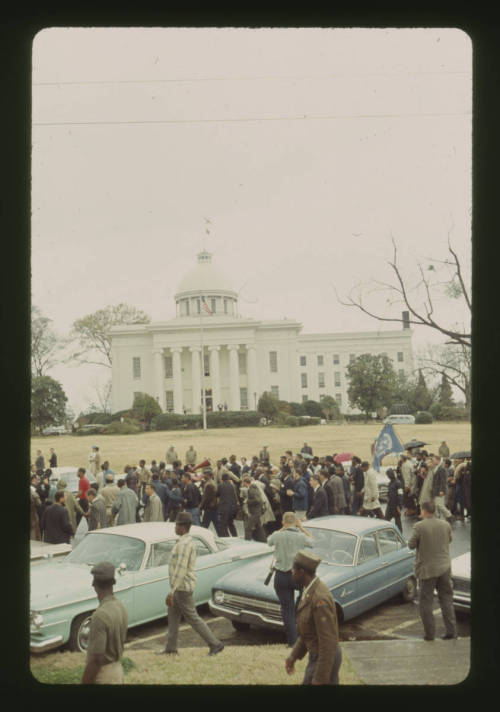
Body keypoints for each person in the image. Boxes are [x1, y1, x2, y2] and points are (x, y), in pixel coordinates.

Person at [157, 512, 224, 657]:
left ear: (183, 527)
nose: (175, 526)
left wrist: (172, 591)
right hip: (179, 587)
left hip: (181, 588)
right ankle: (171, 647)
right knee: (173, 617)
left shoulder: (184, 544)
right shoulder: (183, 541)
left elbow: (181, 569)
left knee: (192, 618)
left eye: (177, 524)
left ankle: (215, 644)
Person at [285, 551, 342, 685]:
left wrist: (320, 678)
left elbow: (328, 642)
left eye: (294, 569)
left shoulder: (319, 599)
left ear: (302, 572)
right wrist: (293, 656)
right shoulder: (309, 591)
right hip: (318, 655)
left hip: (325, 658)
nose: (291, 572)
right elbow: (308, 632)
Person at [408, 501, 457, 641]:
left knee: (426, 602)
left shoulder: (419, 526)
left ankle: (430, 634)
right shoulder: (445, 524)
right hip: (444, 568)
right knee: (446, 599)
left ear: (424, 511)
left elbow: (411, 545)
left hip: (427, 570)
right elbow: (450, 540)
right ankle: (451, 632)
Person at [267, 512, 314, 646]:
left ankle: (293, 642)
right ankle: (301, 631)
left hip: (281, 575)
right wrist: (302, 528)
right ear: (296, 523)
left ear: (282, 522)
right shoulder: (300, 536)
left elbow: (269, 541)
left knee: (286, 609)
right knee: (301, 604)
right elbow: (313, 542)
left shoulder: (277, 535)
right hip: (297, 575)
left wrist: (282, 529)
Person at [81, 561, 128, 684]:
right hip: (118, 671)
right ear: (112, 583)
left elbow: (96, 659)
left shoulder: (99, 616)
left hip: (103, 675)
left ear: (94, 584)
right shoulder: (120, 606)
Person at [241, 476, 267, 542]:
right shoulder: (254, 488)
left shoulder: (251, 489)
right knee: (259, 527)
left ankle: (247, 542)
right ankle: (264, 541)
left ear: (245, 482)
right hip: (257, 511)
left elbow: (257, 500)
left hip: (255, 512)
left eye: (243, 482)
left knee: (248, 528)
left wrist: (247, 501)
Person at [431, 454, 454, 523]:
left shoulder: (442, 469)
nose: (432, 461)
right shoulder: (436, 467)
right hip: (435, 490)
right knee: (437, 506)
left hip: (440, 490)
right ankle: (442, 520)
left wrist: (441, 490)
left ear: (437, 460)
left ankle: (449, 515)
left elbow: (443, 481)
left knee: (439, 505)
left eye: (433, 460)